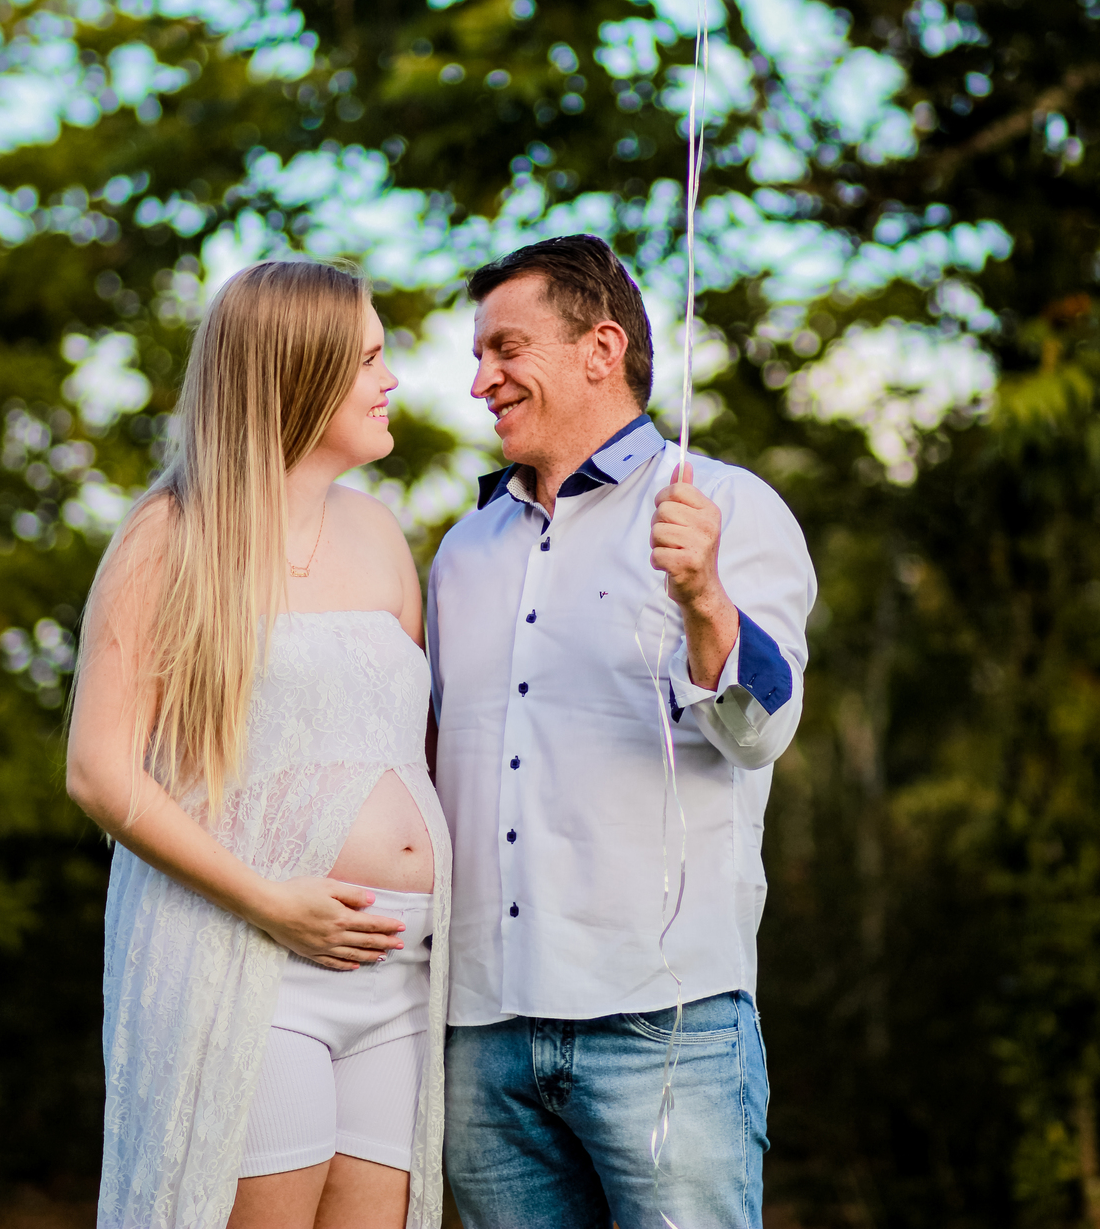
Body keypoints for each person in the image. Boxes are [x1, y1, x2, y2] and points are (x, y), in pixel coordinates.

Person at [428, 234, 815, 1229]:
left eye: (506, 349)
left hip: (666, 1025)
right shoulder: (461, 552)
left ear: (601, 349)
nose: (480, 381)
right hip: (480, 1031)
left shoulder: (725, 507)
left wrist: (705, 598)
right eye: (478, 355)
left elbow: (760, 735)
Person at [66, 259, 451, 1229]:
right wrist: (273, 903)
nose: (391, 379)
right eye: (368, 359)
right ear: (297, 373)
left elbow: (413, 749)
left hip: (400, 976)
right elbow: (99, 771)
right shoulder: (170, 536)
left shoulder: (381, 534)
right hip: (255, 963)